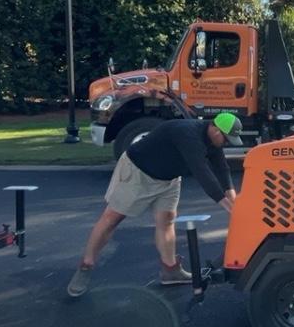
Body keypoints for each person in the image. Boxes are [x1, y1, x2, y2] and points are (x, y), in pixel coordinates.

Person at [67, 113, 242, 297]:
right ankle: (86, 266)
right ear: (215, 128)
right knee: (112, 218)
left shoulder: (214, 140)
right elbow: (202, 172)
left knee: (167, 220)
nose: (227, 143)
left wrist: (234, 200)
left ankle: (170, 270)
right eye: (226, 138)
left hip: (168, 178)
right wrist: (228, 207)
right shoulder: (188, 134)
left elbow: (222, 169)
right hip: (138, 172)